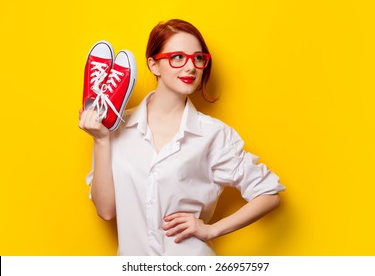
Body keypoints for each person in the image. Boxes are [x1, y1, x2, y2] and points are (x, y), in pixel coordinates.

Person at [79, 19, 285, 256]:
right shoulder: (114, 127)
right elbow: (106, 211)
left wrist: (211, 230)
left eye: (198, 58)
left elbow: (269, 193)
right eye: (177, 57)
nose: (191, 67)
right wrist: (101, 140)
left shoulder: (213, 134)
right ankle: (100, 93)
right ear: (153, 64)